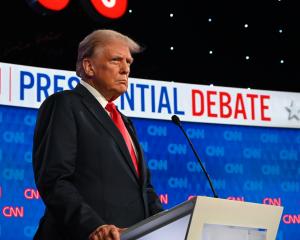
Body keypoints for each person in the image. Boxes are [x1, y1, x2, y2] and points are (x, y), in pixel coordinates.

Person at [32, 29, 163, 240]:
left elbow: (143, 188)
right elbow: (55, 180)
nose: (125, 69)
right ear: (88, 66)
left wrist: (165, 222)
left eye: (129, 62)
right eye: (116, 60)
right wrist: (94, 226)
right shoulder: (65, 104)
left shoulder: (124, 121)